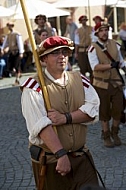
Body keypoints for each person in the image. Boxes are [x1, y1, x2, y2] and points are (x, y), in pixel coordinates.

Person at [20, 36, 100, 190]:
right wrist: (61, 154)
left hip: (81, 157)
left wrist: (65, 118)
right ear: (44, 59)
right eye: (55, 53)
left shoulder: (80, 79)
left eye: (64, 52)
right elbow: (40, 125)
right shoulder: (33, 87)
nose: (62, 56)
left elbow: (93, 110)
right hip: (52, 161)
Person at [88, 22, 126, 148]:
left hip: (116, 83)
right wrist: (110, 66)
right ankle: (106, 135)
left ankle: (115, 132)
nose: (104, 32)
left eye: (106, 30)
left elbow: (120, 62)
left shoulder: (115, 44)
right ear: (97, 33)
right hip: (101, 84)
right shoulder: (93, 48)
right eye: (101, 30)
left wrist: (123, 66)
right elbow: (94, 66)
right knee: (104, 111)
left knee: (118, 108)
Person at [75, 15, 93, 82]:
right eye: (82, 20)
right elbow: (77, 42)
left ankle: (92, 82)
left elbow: (94, 39)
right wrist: (76, 53)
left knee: (91, 67)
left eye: (85, 20)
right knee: (82, 67)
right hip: (81, 50)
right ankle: (84, 82)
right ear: (80, 21)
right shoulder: (78, 31)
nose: (84, 21)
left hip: (90, 49)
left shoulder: (91, 29)